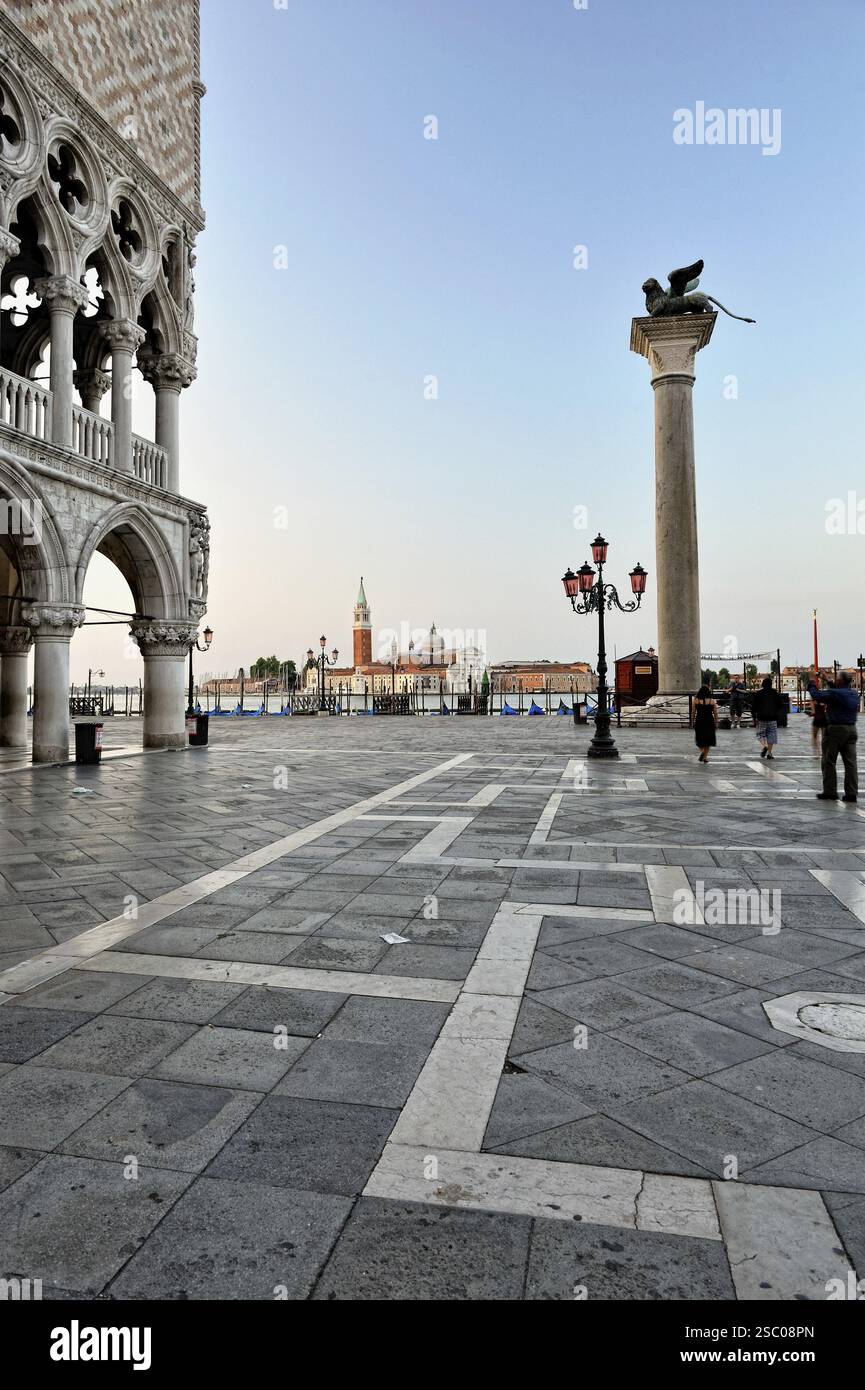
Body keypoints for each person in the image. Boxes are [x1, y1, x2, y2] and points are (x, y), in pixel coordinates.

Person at [809, 671, 858, 802]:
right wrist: (828, 680)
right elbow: (839, 692)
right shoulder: (853, 693)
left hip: (835, 729)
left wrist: (812, 683)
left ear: (841, 681)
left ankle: (830, 791)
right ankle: (851, 793)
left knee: (829, 761)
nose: (835, 680)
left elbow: (817, 695)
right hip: (851, 729)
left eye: (837, 679)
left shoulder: (835, 693)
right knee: (851, 763)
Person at [751, 677, 784, 759]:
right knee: (771, 735)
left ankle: (764, 746)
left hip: (761, 718)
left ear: (763, 684)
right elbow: (780, 705)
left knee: (760, 734)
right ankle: (769, 753)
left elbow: (753, 707)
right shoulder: (775, 693)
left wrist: (754, 717)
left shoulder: (758, 693)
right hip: (773, 718)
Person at [693, 685, 717, 763]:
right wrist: (716, 722)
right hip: (709, 721)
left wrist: (692, 720)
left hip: (699, 720)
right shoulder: (712, 701)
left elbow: (693, 712)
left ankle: (702, 752)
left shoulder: (696, 700)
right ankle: (705, 757)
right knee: (708, 739)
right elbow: (715, 713)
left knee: (699, 739)